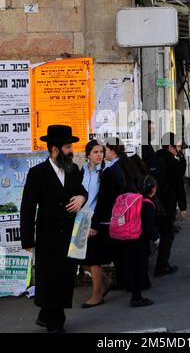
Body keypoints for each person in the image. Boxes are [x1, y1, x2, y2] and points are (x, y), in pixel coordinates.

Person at [20, 125, 87, 333]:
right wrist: (28, 240)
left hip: (70, 235)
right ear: (55, 149)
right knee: (50, 279)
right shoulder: (37, 173)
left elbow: (81, 191)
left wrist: (81, 198)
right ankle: (55, 323)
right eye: (68, 147)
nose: (71, 151)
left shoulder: (73, 169)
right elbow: (28, 208)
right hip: (47, 237)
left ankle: (45, 315)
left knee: (66, 278)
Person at [90, 138, 137, 289]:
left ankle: (125, 281)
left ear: (112, 151)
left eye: (104, 150)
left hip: (115, 216)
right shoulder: (123, 164)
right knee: (122, 250)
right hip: (126, 214)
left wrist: (96, 221)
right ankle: (125, 280)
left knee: (119, 252)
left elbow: (105, 198)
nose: (102, 154)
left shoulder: (111, 170)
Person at [80, 140, 113, 308]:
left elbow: (104, 201)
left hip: (95, 220)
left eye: (101, 151)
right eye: (95, 152)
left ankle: (96, 295)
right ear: (88, 154)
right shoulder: (82, 170)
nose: (99, 155)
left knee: (93, 259)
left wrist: (94, 224)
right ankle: (106, 282)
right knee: (79, 256)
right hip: (81, 218)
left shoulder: (106, 172)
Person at [150, 132, 187, 276]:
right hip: (166, 203)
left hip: (151, 203)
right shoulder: (172, 161)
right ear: (170, 146)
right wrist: (183, 207)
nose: (180, 148)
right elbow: (179, 185)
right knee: (167, 234)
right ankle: (162, 266)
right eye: (178, 145)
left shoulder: (154, 157)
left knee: (155, 232)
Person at [121, 176, 160, 307]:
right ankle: (136, 298)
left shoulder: (133, 200)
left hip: (128, 238)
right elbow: (148, 226)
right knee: (140, 268)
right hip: (140, 240)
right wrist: (156, 238)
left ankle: (133, 292)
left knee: (131, 266)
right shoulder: (148, 205)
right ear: (153, 190)